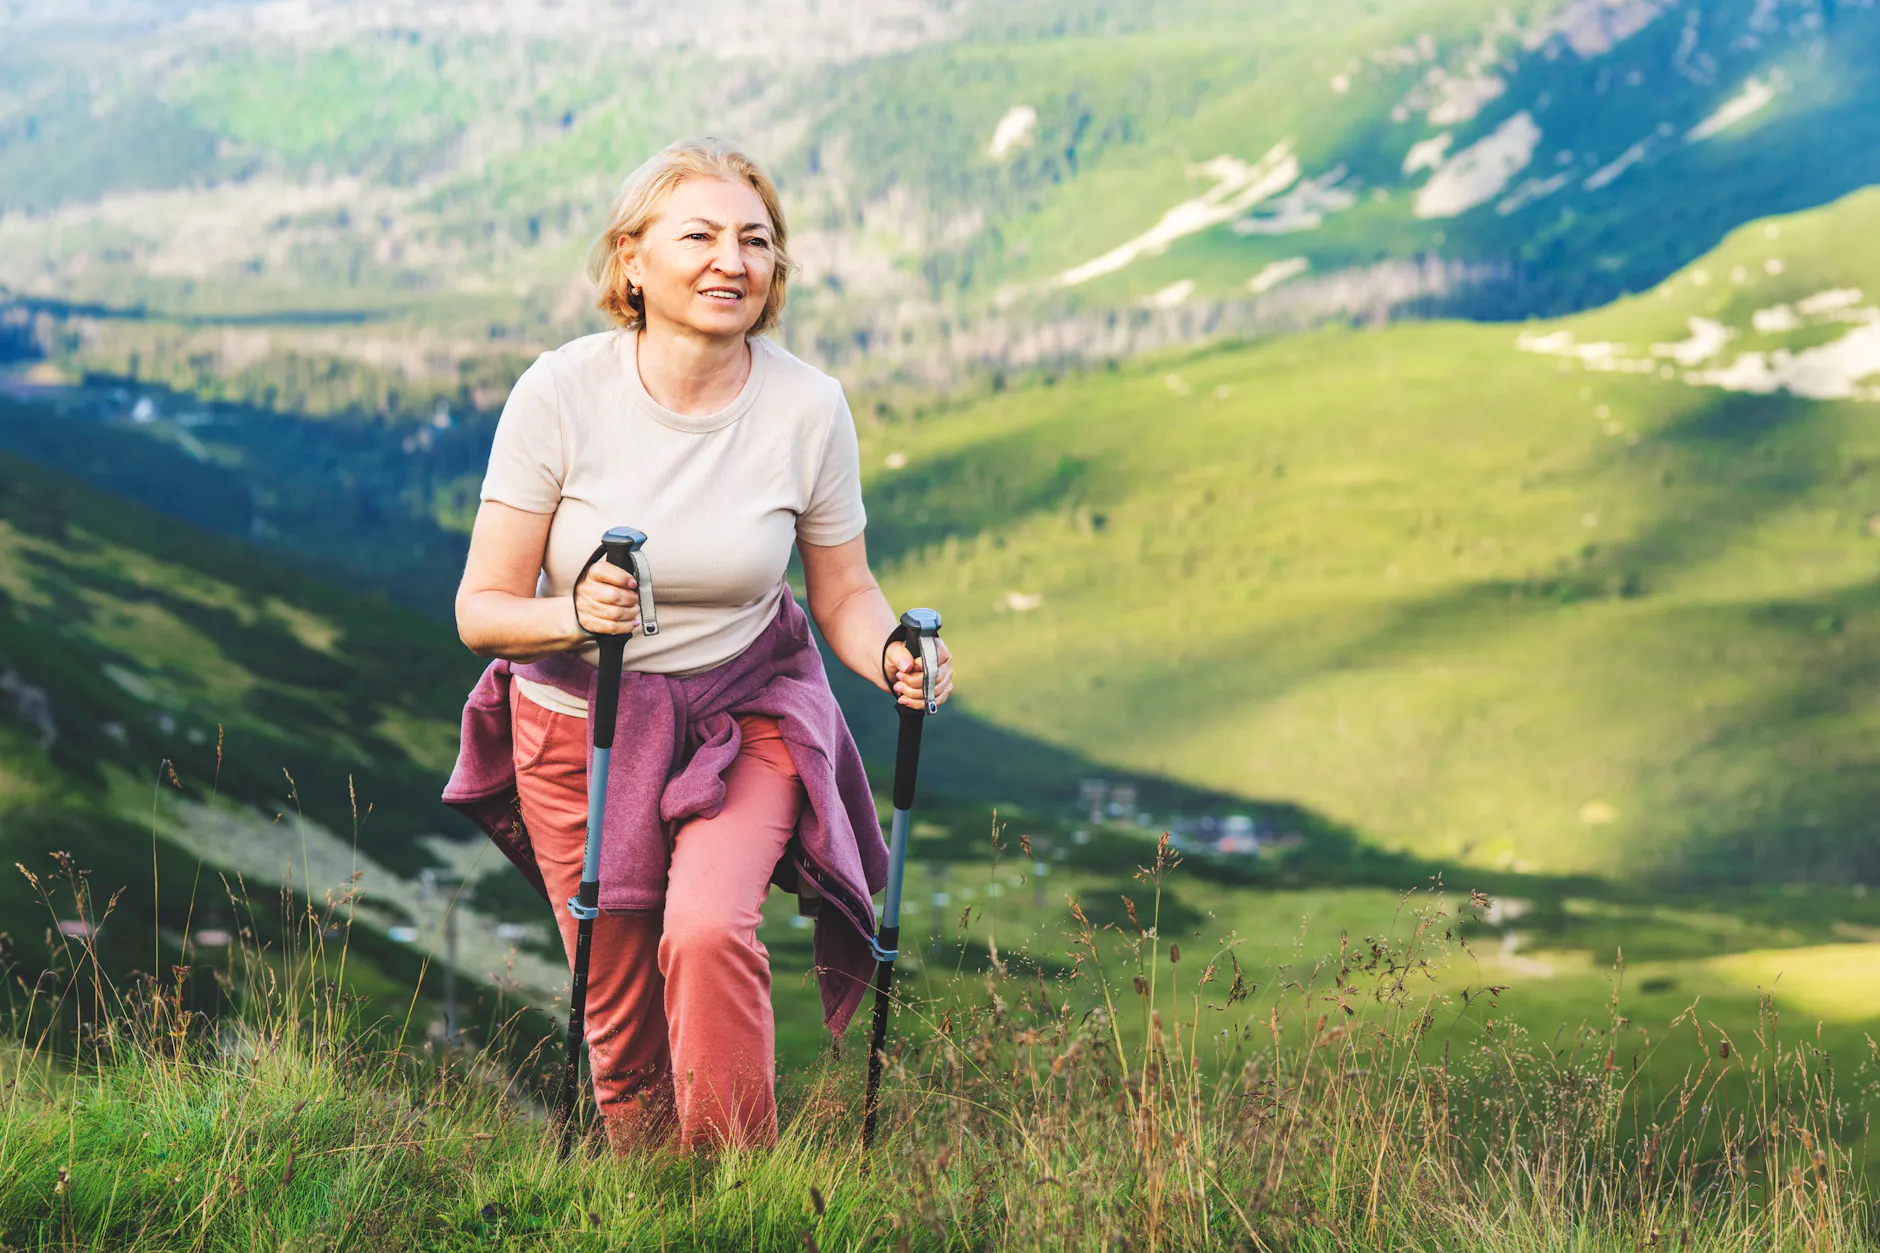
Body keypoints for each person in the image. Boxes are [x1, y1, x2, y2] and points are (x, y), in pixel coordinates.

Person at [444, 137, 954, 1154]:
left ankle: (739, 1191)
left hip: (748, 705)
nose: (733, 259)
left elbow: (843, 589)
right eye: (702, 235)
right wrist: (577, 617)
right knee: (617, 998)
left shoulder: (808, 405)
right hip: (581, 721)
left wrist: (894, 649)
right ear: (631, 259)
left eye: (756, 241)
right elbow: (482, 609)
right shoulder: (560, 391)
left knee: (711, 928)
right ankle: (654, 1199)